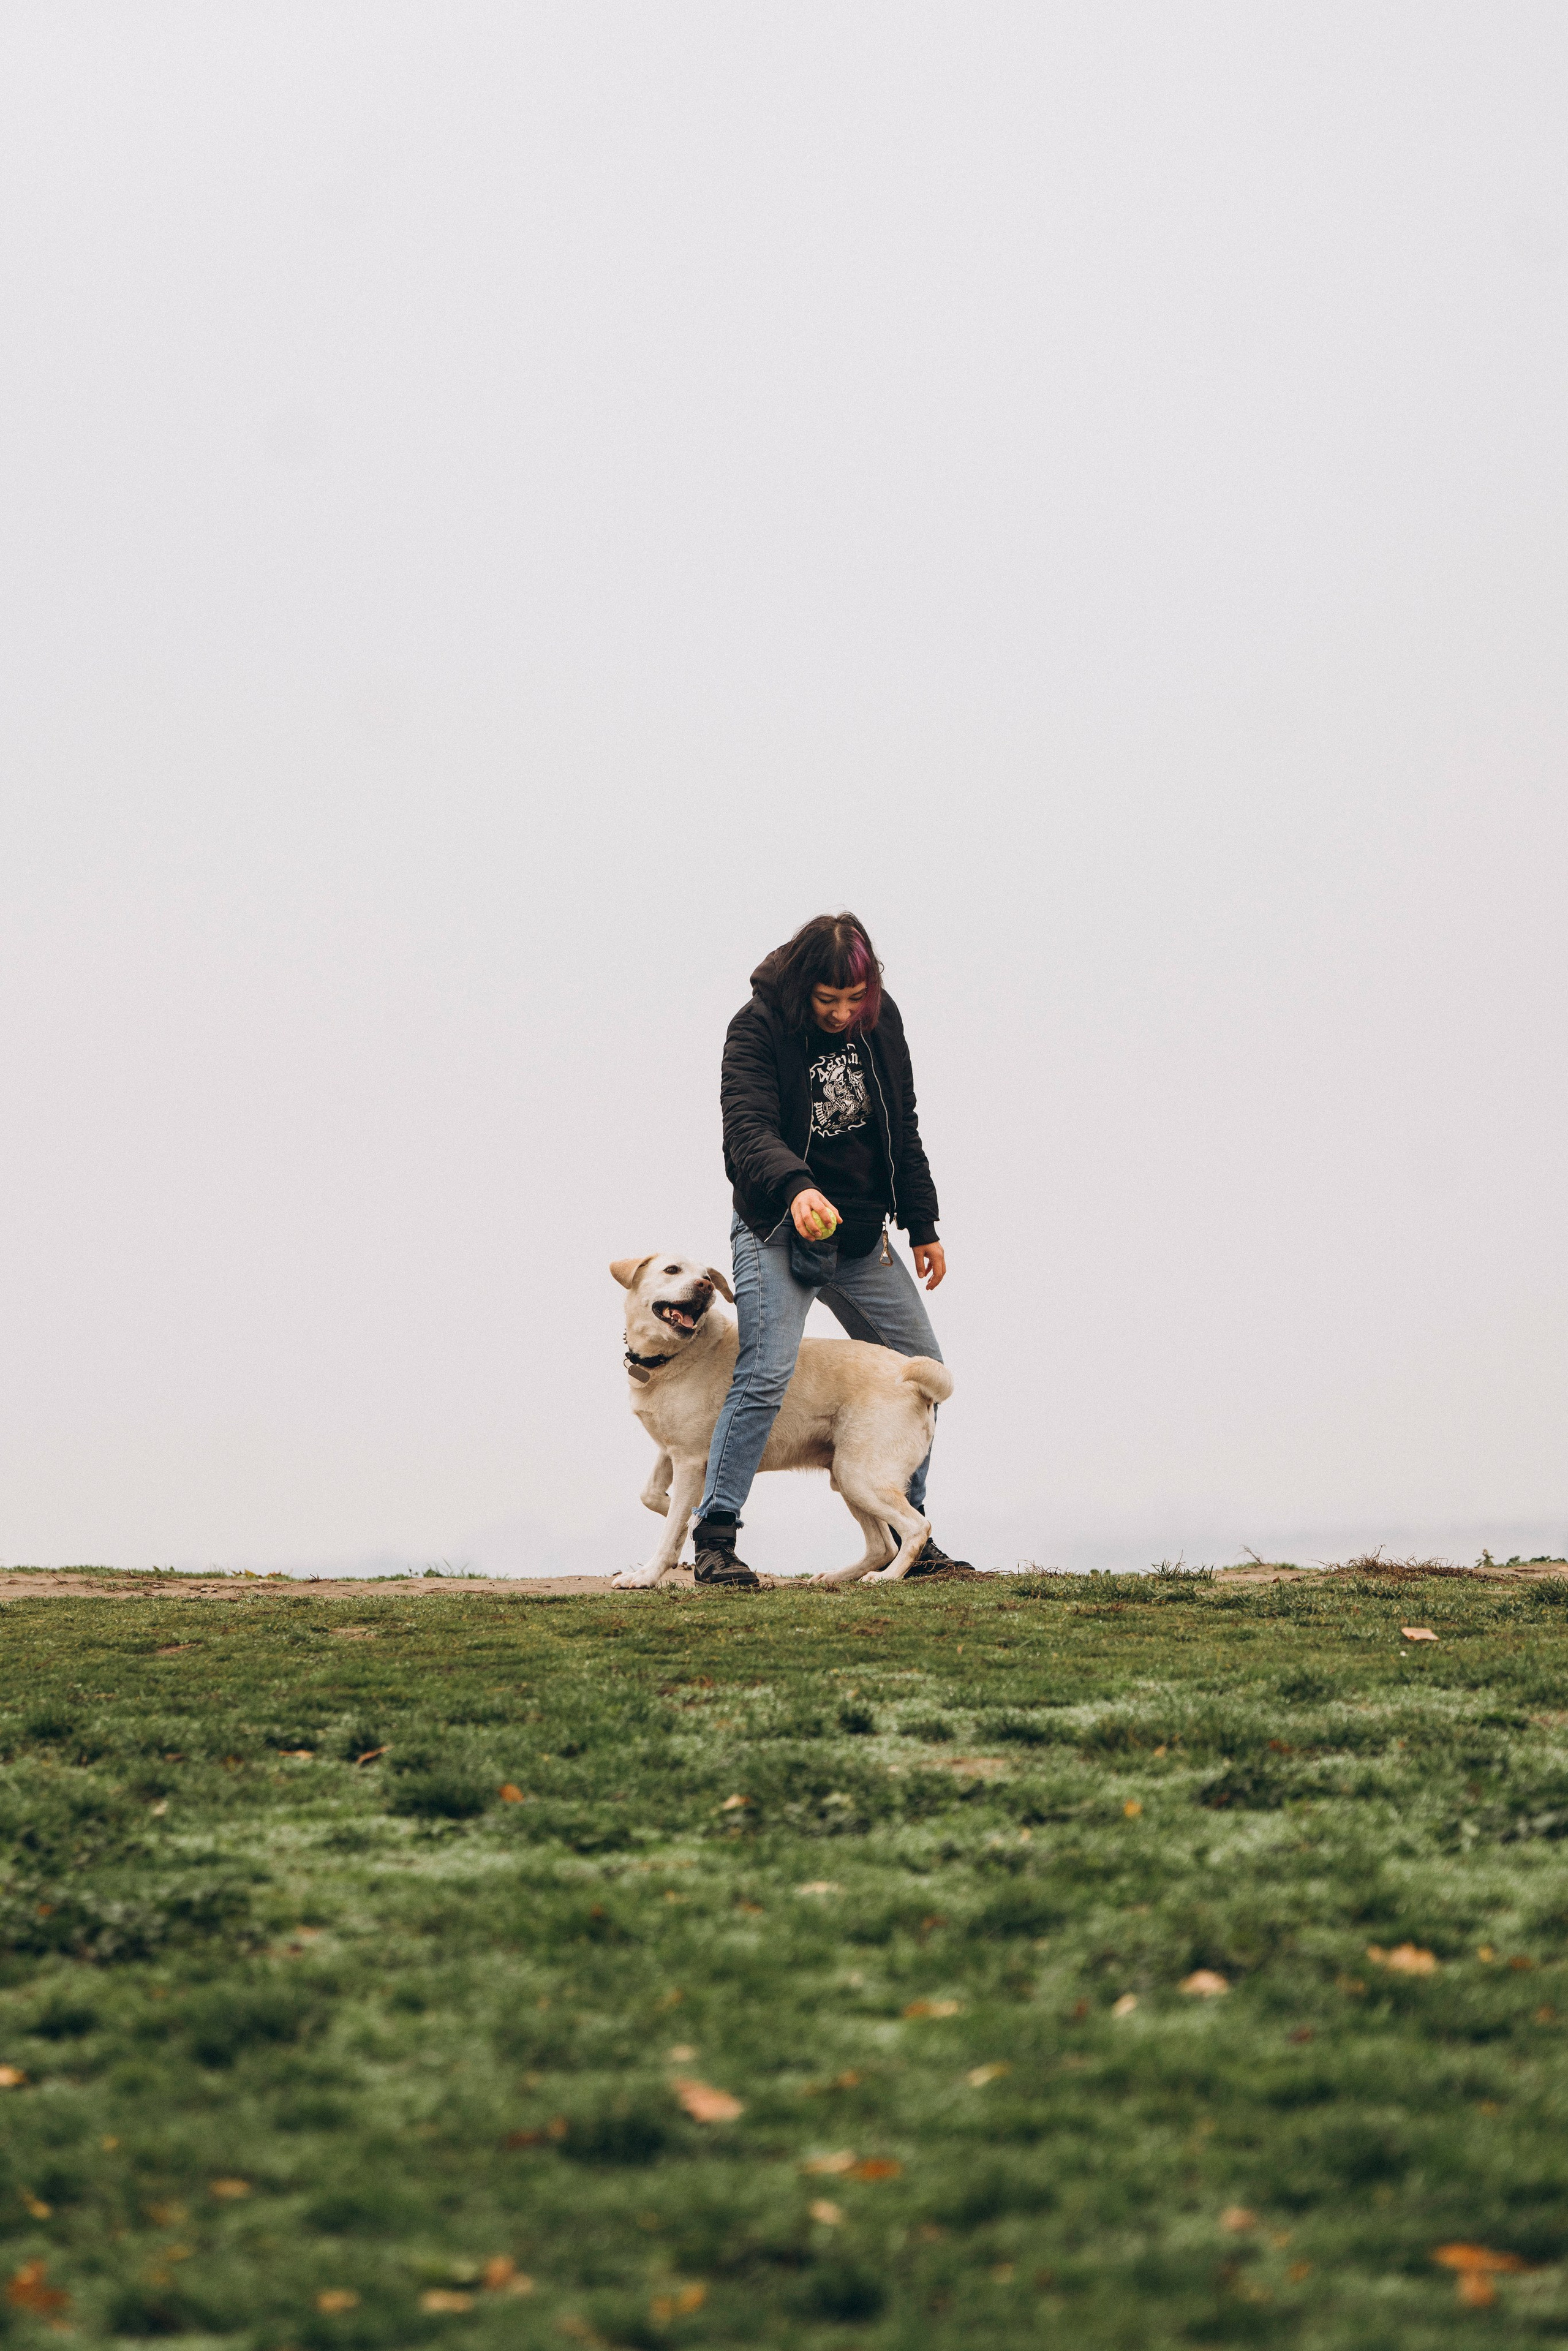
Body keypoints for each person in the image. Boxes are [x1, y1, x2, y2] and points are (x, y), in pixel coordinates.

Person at [690, 911, 971, 1588]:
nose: (844, 1013)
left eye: (855, 998)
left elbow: (902, 1124)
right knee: (765, 1373)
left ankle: (908, 1540)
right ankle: (715, 1540)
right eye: (828, 1000)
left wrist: (923, 1222)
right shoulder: (755, 1027)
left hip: (862, 1236)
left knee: (918, 1374)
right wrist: (797, 1188)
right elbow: (747, 1129)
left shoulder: (881, 1020)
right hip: (777, 1228)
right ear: (801, 986)